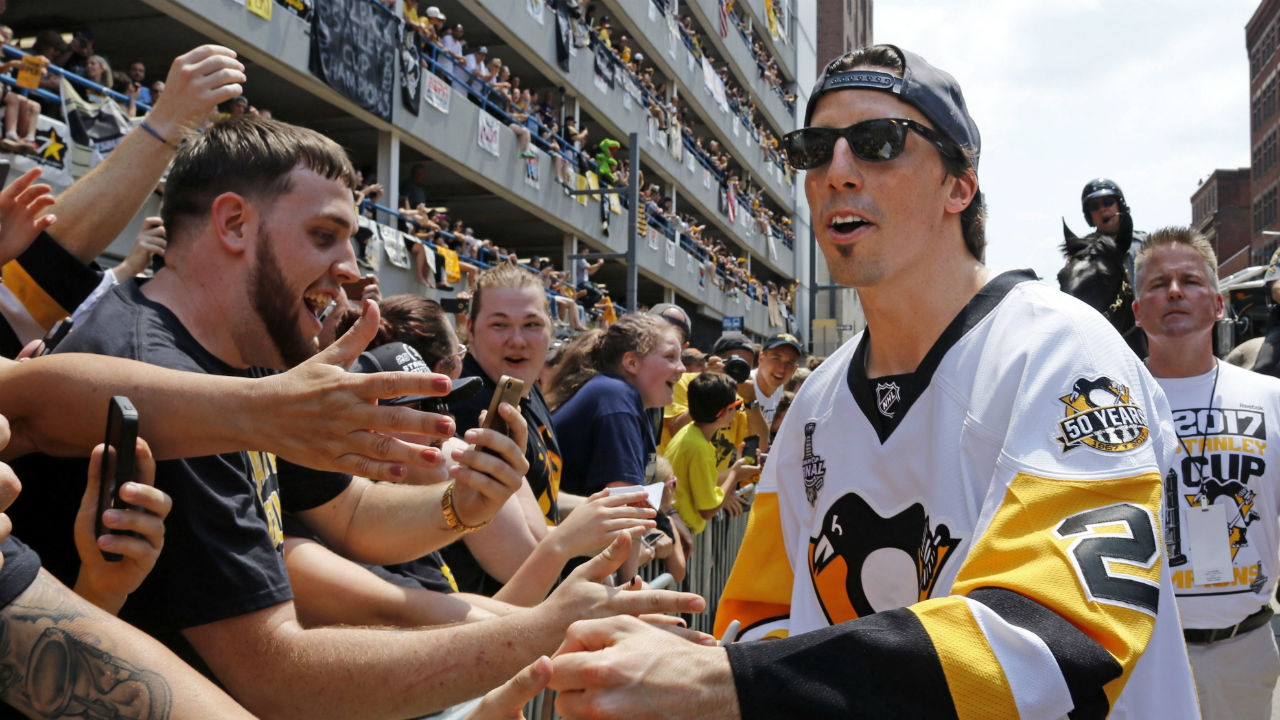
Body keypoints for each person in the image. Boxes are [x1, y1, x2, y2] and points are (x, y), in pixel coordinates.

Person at [525, 44, 1196, 719]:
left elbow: (1057, 642)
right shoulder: (816, 400)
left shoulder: (1064, 352)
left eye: (878, 142)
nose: (837, 171)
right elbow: (762, 620)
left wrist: (728, 684)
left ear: (958, 186)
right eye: (815, 149)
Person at [7, 114, 699, 719]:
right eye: (324, 235)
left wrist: (461, 507)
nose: (349, 268)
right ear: (233, 223)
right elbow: (278, 674)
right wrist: (542, 632)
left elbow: (352, 515)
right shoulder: (163, 374)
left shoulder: (251, 361)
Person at [1133, 227, 1280, 718]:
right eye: (1158, 284)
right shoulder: (1114, 405)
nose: (1174, 291)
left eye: (1190, 280)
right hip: (1146, 655)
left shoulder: (1270, 399)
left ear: (1218, 305)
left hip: (1244, 651)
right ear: (1137, 311)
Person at [665, 371, 759, 535]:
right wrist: (734, 475)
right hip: (681, 531)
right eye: (736, 406)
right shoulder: (699, 447)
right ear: (723, 413)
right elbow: (708, 510)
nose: (738, 412)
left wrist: (735, 468)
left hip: (677, 527)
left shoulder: (690, 432)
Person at [1080, 177, 1147, 284]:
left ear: (1120, 206)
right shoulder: (1083, 252)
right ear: (1089, 216)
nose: (1102, 209)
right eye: (1094, 206)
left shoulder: (1146, 244)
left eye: (1108, 202)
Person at [750, 332, 801, 429]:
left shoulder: (778, 387)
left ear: (795, 369)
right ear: (761, 358)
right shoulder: (742, 385)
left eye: (789, 363)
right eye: (776, 359)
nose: (781, 369)